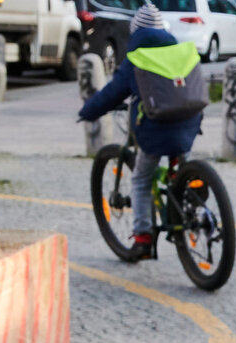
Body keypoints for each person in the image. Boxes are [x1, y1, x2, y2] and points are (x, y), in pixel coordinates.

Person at [78, 4, 202, 262]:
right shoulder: (181, 53)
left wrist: (88, 112)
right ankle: (191, 187)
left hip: (154, 131)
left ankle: (143, 239)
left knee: (141, 180)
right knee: (179, 156)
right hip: (189, 122)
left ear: (136, 33)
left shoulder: (137, 59)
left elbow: (111, 94)